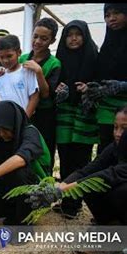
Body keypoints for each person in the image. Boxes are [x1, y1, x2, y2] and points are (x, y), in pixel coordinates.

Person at [28, 106, 127, 225]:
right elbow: (88, 171)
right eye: (115, 127)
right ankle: (110, 224)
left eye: (124, 129)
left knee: (119, 191)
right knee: (88, 186)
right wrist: (58, 188)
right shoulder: (114, 147)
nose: (118, 133)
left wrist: (62, 190)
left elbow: (109, 175)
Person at [0, 101, 51, 225]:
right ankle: (11, 209)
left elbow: (21, 158)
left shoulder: (30, 132)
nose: (2, 134)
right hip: (7, 185)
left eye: (6, 129)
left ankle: (24, 222)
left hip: (34, 187)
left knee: (19, 172)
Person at [54, 20, 99, 218]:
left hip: (84, 114)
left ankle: (75, 203)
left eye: (77, 34)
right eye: (69, 35)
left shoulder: (94, 56)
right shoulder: (60, 57)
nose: (73, 38)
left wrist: (89, 88)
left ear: (85, 36)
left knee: (81, 159)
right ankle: (67, 199)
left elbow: (101, 82)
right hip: (64, 114)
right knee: (65, 157)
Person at [20, 17, 61, 173]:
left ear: (52, 40)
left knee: (44, 150)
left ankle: (45, 185)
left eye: (44, 38)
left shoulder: (54, 63)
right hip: (25, 110)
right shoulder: (22, 58)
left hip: (45, 115)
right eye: (35, 36)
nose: (37, 41)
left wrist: (38, 71)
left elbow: (46, 94)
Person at [87, 4, 127, 153]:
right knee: (106, 150)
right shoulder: (107, 47)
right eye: (107, 15)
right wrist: (93, 89)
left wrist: (123, 85)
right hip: (106, 111)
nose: (112, 19)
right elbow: (100, 75)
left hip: (125, 109)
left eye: (117, 13)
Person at [0, 35, 39, 117]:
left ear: (19, 52)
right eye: (1, 57)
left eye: (9, 56)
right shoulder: (0, 75)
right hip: (4, 122)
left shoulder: (27, 71)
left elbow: (34, 97)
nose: (5, 60)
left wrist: (25, 120)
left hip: (22, 120)